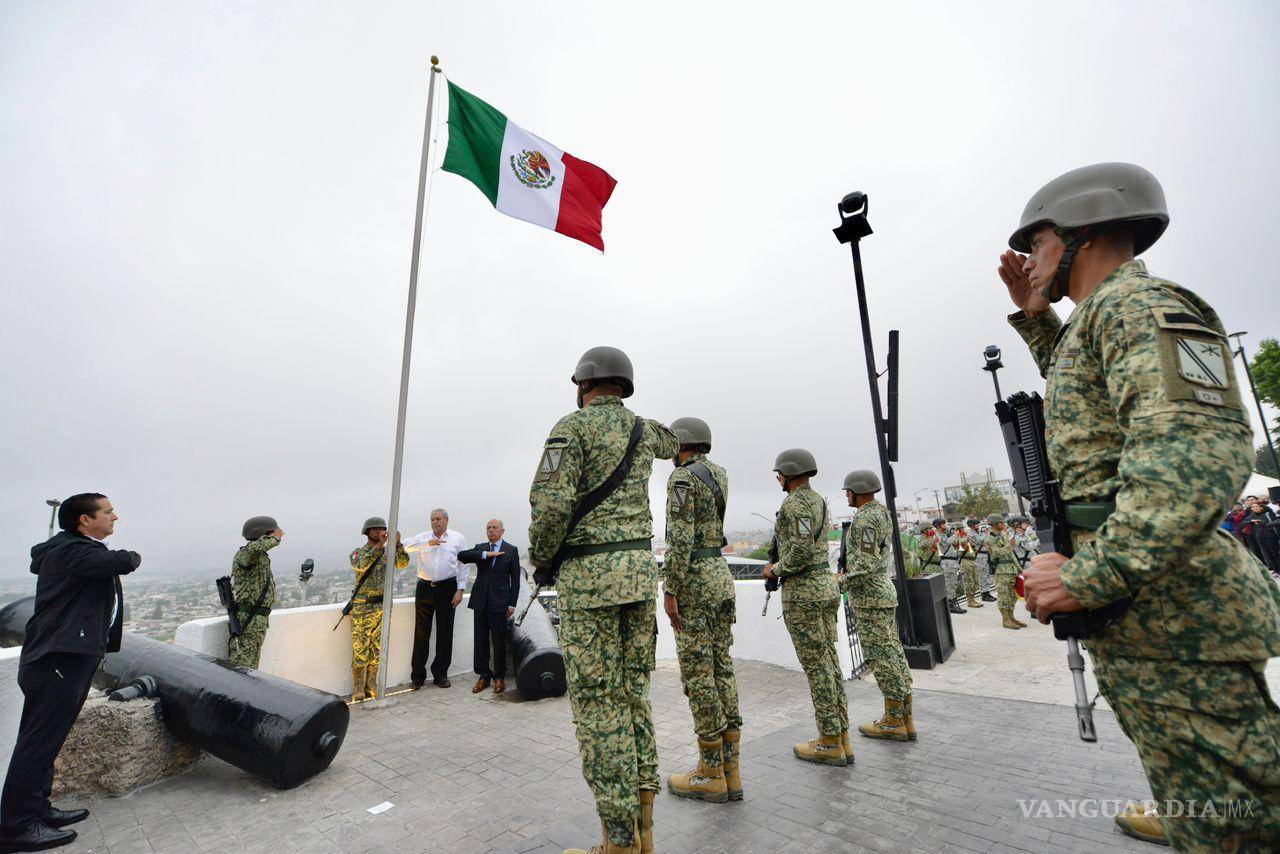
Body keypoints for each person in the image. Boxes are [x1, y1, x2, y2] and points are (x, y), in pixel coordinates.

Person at [1000, 162, 1280, 849]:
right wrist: (1038, 321)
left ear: (1078, 235)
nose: (1027, 261)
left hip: (1175, 613)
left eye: (1036, 244)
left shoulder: (1143, 308)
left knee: (1237, 822)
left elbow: (1194, 458)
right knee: (1203, 792)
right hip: (1151, 612)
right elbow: (1089, 400)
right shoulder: (1101, 319)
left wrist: (1083, 576)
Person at [527, 346, 677, 854]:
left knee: (598, 708)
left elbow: (549, 504)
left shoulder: (572, 428)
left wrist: (541, 557)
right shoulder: (644, 430)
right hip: (638, 575)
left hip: (591, 582)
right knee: (635, 699)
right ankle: (645, 832)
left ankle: (618, 842)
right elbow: (674, 440)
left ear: (584, 384)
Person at [0, 494, 138, 852]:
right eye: (107, 512)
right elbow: (124, 561)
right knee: (37, 744)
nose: (115, 517)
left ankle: (37, 809)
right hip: (59, 659)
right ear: (83, 520)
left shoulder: (67, 549)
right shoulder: (75, 552)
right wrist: (130, 556)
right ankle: (16, 827)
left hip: (59, 658)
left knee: (45, 742)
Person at [661, 417, 743, 804]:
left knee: (699, 676)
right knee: (722, 668)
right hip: (719, 577)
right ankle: (732, 770)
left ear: (682, 444)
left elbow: (679, 539)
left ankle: (710, 773)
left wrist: (670, 589)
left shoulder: (682, 479)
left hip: (694, 581)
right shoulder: (719, 474)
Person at [762, 449, 849, 767]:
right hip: (824, 588)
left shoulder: (796, 503)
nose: (777, 478)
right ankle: (842, 736)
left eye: (779, 473)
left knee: (818, 668)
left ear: (789, 473)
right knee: (830, 662)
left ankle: (829, 741)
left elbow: (797, 553)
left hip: (804, 594)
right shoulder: (819, 501)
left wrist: (774, 569)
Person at [838, 470, 915, 742]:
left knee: (880, 657)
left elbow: (867, 565)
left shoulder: (867, 518)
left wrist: (840, 582)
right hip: (880, 593)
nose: (846, 494)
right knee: (893, 653)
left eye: (848, 490)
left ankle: (894, 721)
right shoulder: (882, 514)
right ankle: (905, 716)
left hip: (871, 596)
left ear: (859, 490)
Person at [403, 509, 468, 689]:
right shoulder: (423, 537)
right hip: (425, 588)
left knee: (445, 633)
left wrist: (460, 589)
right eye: (432, 519)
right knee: (421, 633)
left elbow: (463, 565)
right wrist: (427, 544)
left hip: (447, 588)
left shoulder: (458, 538)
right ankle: (417, 677)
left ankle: (440, 675)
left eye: (438, 519)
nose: (435, 522)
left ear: (447, 520)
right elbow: (404, 546)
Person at [347, 517, 409, 702]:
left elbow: (403, 563)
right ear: (367, 532)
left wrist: (397, 545)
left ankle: (371, 685)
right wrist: (379, 547)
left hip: (382, 607)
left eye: (382, 529)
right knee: (360, 648)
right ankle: (358, 688)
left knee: (377, 647)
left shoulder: (387, 553)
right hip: (363, 607)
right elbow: (361, 565)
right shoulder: (358, 553)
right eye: (374, 529)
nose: (379, 531)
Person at [457, 519, 521, 694]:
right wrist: (485, 555)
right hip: (480, 600)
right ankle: (483, 675)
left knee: (499, 640)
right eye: (488, 528)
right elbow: (462, 556)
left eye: (494, 528)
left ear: (502, 530)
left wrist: (511, 603)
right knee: (480, 639)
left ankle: (499, 677)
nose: (491, 531)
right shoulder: (481, 547)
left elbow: (515, 581)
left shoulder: (511, 550)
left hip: (500, 602)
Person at [228, 516, 282, 669]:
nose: (276, 534)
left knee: (251, 667)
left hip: (257, 620)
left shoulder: (259, 556)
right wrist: (275, 539)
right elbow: (255, 548)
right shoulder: (246, 554)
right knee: (242, 668)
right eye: (271, 532)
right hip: (248, 619)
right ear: (262, 534)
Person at [984, 514, 1023, 630]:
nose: (1003, 524)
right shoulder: (989, 538)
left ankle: (1011, 617)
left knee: (1012, 596)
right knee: (1003, 595)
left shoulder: (1003, 535)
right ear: (994, 524)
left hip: (1011, 569)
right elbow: (995, 553)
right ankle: (1005, 620)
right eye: (1000, 523)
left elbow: (1011, 554)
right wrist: (1009, 546)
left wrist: (1019, 569)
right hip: (1001, 571)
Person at [929, 517, 965, 614]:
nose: (946, 526)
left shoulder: (943, 534)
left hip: (952, 562)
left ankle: (953, 603)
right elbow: (946, 543)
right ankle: (951, 605)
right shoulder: (937, 535)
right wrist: (954, 535)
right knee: (950, 584)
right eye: (944, 524)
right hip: (947, 563)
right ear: (938, 526)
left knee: (953, 584)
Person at [1243, 498, 1280, 575]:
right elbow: (1244, 521)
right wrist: (1251, 521)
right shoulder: (1252, 515)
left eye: (1256, 506)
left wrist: (1264, 523)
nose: (1255, 508)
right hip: (1259, 537)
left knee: (1275, 553)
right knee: (1267, 554)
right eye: (1253, 507)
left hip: (1270, 536)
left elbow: (1275, 522)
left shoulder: (1268, 513)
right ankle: (1276, 570)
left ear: (1261, 507)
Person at [951, 521, 982, 609]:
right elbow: (956, 543)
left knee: (975, 581)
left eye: (962, 528)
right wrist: (965, 539)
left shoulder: (966, 537)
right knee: (969, 581)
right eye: (959, 529)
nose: (962, 530)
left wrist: (971, 543)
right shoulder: (955, 538)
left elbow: (974, 546)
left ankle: (973, 598)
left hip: (972, 560)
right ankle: (970, 600)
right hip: (965, 561)